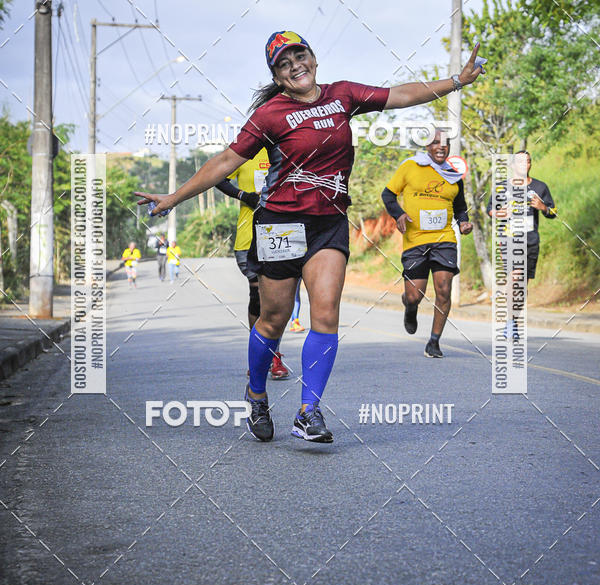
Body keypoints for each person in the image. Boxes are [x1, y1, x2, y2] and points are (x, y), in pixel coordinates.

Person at [136, 30, 484, 443]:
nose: (294, 65)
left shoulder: (343, 95)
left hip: (329, 223)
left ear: (314, 58)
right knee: (273, 318)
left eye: (299, 56)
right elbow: (227, 161)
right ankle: (257, 394)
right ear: (279, 77)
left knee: (326, 314)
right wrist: (174, 197)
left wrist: (457, 81)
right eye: (284, 64)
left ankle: (308, 411)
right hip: (279, 224)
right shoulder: (270, 115)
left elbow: (401, 95)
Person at [382, 129, 473, 358]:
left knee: (444, 290)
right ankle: (410, 308)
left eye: (445, 143)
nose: (441, 146)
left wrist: (463, 223)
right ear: (427, 147)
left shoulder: (453, 175)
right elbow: (388, 195)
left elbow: (460, 207)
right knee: (415, 295)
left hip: (444, 240)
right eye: (435, 142)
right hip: (415, 240)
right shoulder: (410, 166)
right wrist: (399, 214)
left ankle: (434, 342)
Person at [215, 150, 289, 379]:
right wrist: (244, 195)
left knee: (276, 301)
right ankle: (261, 357)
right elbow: (218, 178)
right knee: (259, 295)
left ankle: (270, 356)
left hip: (280, 236)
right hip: (248, 239)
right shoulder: (246, 153)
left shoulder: (286, 151)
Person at [487, 150, 557, 282]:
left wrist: (543, 207)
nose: (525, 164)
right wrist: (497, 213)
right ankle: (510, 299)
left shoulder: (540, 187)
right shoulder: (501, 187)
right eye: (520, 162)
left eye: (528, 161)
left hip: (530, 241)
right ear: (512, 165)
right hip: (508, 239)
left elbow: (553, 212)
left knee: (523, 283)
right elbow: (490, 209)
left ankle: (511, 301)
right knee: (516, 277)